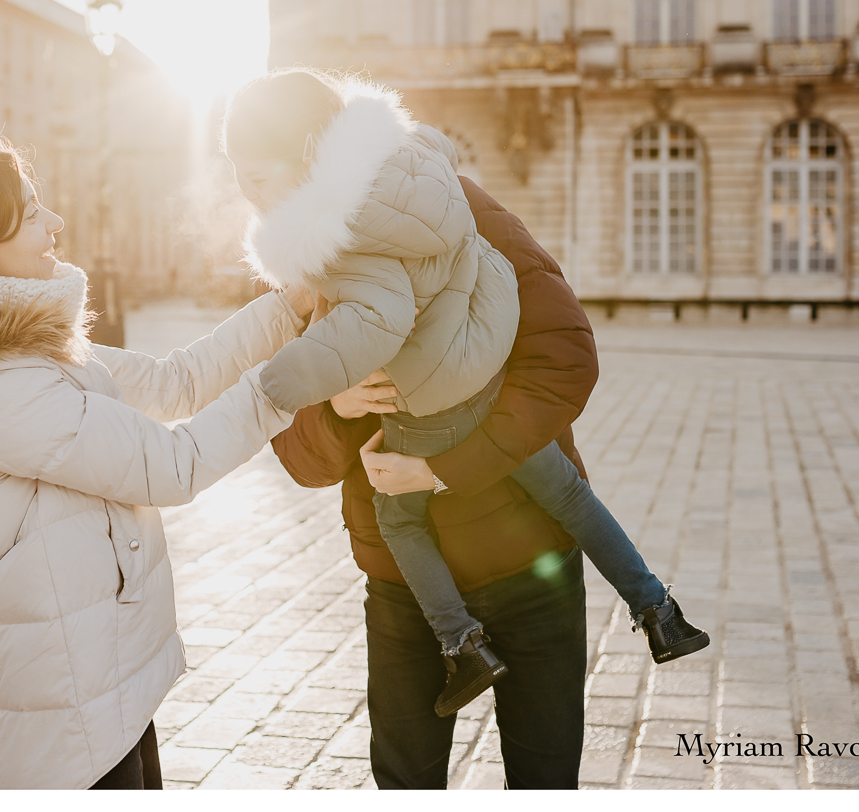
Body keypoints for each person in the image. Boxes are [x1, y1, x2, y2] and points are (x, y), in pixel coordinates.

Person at [0, 137, 313, 788]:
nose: (55, 224)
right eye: (30, 214)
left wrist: (286, 310)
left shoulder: (27, 355)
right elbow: (174, 463)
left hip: (100, 675)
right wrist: (303, 376)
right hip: (64, 702)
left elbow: (174, 382)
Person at [223, 68, 706, 723]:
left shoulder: (322, 253)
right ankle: (657, 609)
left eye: (255, 179)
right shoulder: (430, 182)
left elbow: (564, 357)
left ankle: (462, 644)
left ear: (310, 154)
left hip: (511, 543)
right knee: (568, 492)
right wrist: (335, 407)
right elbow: (303, 459)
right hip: (428, 539)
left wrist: (285, 385)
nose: (248, 202)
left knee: (403, 519)